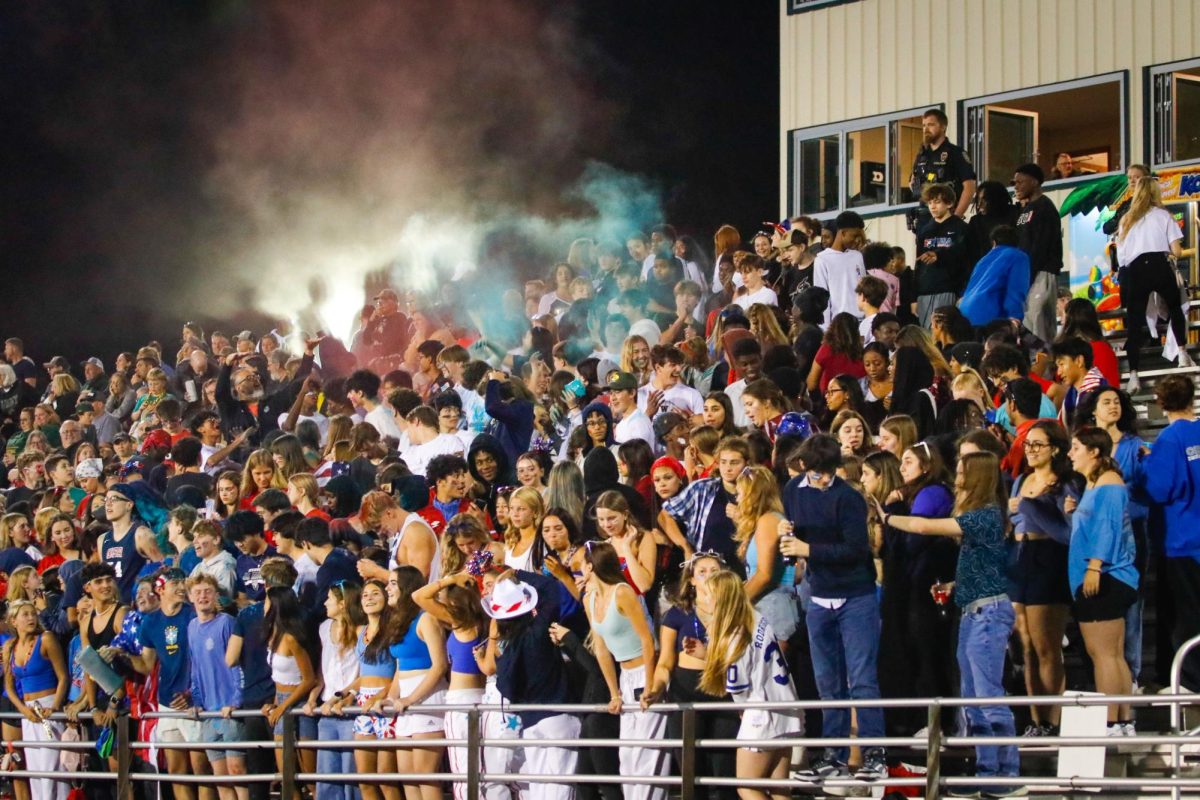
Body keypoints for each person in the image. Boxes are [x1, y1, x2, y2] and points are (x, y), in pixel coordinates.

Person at [881, 452, 1020, 796]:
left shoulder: (987, 515)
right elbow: (986, 566)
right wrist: (954, 586)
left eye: (961, 473)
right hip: (972, 610)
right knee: (972, 699)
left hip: (989, 615)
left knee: (989, 697)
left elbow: (925, 526)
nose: (956, 479)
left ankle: (1007, 774)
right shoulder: (980, 517)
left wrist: (887, 517)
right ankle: (987, 771)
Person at [780, 435, 885, 782]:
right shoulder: (794, 489)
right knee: (828, 682)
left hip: (856, 595)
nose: (822, 480)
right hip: (819, 597)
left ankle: (874, 754)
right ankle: (834, 756)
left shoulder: (849, 499)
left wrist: (808, 549)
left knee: (862, 679)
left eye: (827, 474)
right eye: (815, 474)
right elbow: (797, 533)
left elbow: (856, 550)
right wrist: (788, 532)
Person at [698, 570, 802, 800]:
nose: (704, 599)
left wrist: (743, 711)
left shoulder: (735, 633)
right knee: (779, 788)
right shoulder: (756, 617)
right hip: (786, 706)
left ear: (721, 598)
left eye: (708, 594)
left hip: (761, 713)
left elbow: (738, 686)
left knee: (746, 786)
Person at [583, 541, 667, 800]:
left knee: (647, 757)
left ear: (591, 566)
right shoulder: (590, 599)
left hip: (645, 671)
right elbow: (601, 648)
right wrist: (614, 693)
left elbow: (647, 639)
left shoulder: (622, 592)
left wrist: (651, 685)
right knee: (627, 756)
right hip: (625, 677)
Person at [1067, 427, 1139, 733]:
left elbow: (1108, 527)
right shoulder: (1095, 484)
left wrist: (1095, 566)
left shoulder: (1109, 483)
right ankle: (1122, 719)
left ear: (1094, 451)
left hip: (1104, 577)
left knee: (1104, 655)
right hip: (1101, 575)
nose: (1070, 454)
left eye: (1075, 448)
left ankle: (1112, 720)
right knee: (1112, 654)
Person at [485, 570, 580, 800]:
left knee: (539, 787)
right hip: (557, 717)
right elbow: (551, 589)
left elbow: (505, 688)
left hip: (530, 723)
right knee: (560, 787)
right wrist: (517, 573)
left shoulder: (506, 651)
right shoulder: (538, 631)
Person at [1006, 421, 1075, 736]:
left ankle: (1053, 719)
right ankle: (1036, 720)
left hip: (1049, 559)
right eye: (1028, 444)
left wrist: (1032, 508)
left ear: (1055, 448)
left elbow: (1067, 528)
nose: (1030, 450)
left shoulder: (1064, 483)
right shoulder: (1021, 480)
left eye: (1037, 444)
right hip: (1020, 558)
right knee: (1026, 646)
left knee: (1047, 645)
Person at [1139, 375, 1200, 691]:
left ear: (1161, 403)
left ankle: (1187, 680)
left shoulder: (1169, 440)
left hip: (1179, 540)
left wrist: (1147, 465)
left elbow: (1160, 489)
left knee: (1183, 615)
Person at [1116, 175, 1194, 392]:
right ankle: (1182, 353)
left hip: (1135, 270)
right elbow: (1176, 250)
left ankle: (1133, 375)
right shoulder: (1164, 216)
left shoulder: (1126, 219)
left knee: (1134, 323)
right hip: (1160, 264)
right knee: (1175, 308)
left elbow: (1121, 258)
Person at [382, 566, 448, 800]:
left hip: (427, 697)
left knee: (425, 774)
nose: (387, 588)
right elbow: (400, 667)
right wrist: (391, 697)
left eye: (392, 583)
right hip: (405, 701)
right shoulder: (398, 621)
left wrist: (411, 698)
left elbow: (439, 665)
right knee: (407, 775)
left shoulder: (426, 618)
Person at [187, 573, 249, 800]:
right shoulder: (192, 627)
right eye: (198, 592)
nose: (203, 596)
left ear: (216, 596)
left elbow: (237, 665)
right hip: (209, 714)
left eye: (207, 592)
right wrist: (196, 702)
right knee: (220, 777)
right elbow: (195, 668)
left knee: (237, 772)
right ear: (190, 597)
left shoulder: (227, 623)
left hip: (229, 711)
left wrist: (235, 701)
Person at [3, 600, 69, 800]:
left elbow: (63, 677)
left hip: (48, 706)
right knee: (36, 770)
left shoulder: (46, 639)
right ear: (14, 621)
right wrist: (22, 709)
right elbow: (9, 685)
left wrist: (55, 706)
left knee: (52, 768)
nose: (31, 618)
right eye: (25, 614)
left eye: (33, 613)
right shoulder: (10, 647)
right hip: (29, 713)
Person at [732, 466, 798, 644]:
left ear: (752, 494)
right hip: (765, 605)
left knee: (773, 672)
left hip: (774, 609)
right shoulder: (767, 519)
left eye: (740, 493)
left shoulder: (769, 520)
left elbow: (765, 575)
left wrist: (733, 604)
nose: (737, 499)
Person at [1012, 163, 1063, 343]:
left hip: (1042, 272)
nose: (1016, 186)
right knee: (1028, 321)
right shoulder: (1025, 210)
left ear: (1034, 182)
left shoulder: (1045, 207)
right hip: (1027, 274)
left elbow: (1042, 245)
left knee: (1038, 322)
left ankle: (1044, 364)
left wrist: (1028, 274)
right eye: (1015, 182)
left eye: (1021, 182)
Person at [908, 108, 977, 223]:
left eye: (931, 125)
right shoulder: (921, 155)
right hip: (925, 218)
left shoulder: (955, 153)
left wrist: (956, 218)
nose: (926, 129)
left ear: (943, 127)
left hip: (948, 215)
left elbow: (969, 187)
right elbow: (913, 183)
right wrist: (914, 185)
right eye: (924, 125)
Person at [915, 183, 971, 324]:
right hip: (925, 291)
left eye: (937, 202)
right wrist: (913, 296)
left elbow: (966, 261)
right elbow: (918, 264)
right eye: (930, 203)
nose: (933, 206)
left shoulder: (961, 228)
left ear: (949, 203)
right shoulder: (924, 230)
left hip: (949, 290)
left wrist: (963, 293)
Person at [959, 225, 1030, 327]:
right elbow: (1016, 289)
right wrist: (1015, 317)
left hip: (965, 313)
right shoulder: (1018, 256)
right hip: (988, 316)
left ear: (994, 242)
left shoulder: (982, 260)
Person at [813, 211, 867, 323]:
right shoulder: (822, 260)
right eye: (854, 235)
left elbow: (864, 290)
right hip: (839, 324)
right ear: (843, 233)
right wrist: (826, 329)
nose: (857, 240)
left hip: (861, 321)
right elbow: (822, 299)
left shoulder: (857, 256)